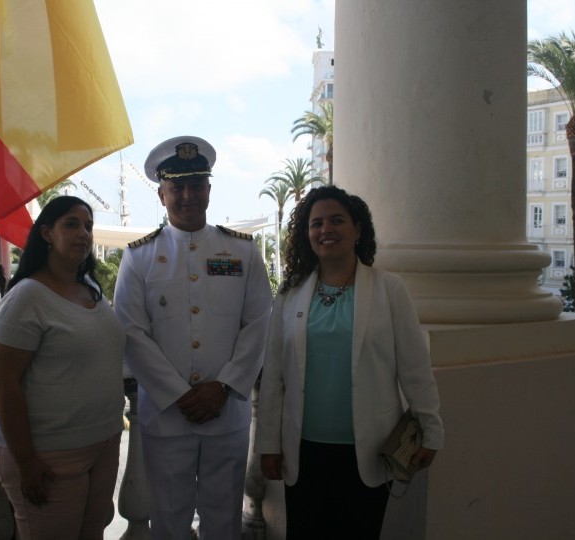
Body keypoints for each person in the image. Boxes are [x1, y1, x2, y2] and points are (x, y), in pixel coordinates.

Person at [254, 186, 444, 539]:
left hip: (369, 452)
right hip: (304, 452)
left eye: (337, 220)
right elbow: (275, 378)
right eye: (316, 223)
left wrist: (432, 431)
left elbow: (415, 370)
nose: (326, 229)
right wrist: (268, 445)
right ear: (306, 235)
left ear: (358, 230)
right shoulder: (290, 294)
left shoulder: (390, 290)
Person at [114, 136, 272, 539]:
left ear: (209, 190)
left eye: (196, 185)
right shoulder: (139, 256)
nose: (188, 195)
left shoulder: (242, 253)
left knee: (224, 522)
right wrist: (180, 395)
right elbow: (130, 331)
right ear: (162, 193)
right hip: (166, 417)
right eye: (177, 187)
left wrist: (224, 387)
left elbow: (258, 324)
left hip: (227, 413)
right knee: (168, 522)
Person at [0, 196, 125, 540]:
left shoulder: (89, 288)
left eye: (88, 226)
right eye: (71, 224)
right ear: (47, 233)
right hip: (50, 454)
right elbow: (2, 381)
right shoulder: (27, 297)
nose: (83, 234)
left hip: (101, 444)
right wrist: (26, 461)